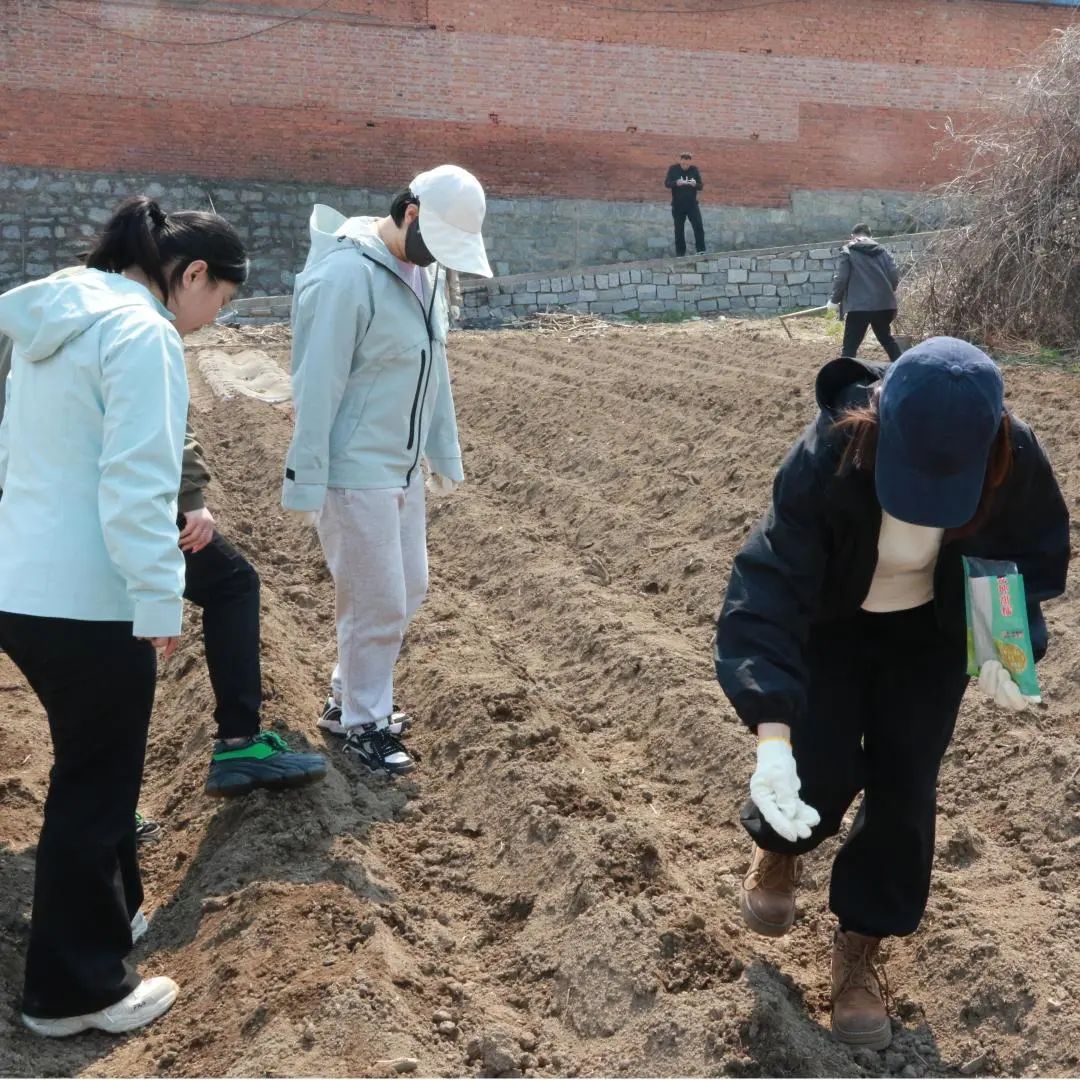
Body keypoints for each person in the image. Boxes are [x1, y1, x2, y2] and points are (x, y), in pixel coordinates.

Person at [713, 339, 1069, 1050]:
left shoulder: (1013, 454)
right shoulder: (831, 451)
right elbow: (770, 585)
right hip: (835, 622)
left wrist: (1007, 643)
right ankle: (780, 846)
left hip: (929, 634)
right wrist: (772, 734)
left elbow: (1028, 558)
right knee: (818, 758)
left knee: (906, 781)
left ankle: (861, 944)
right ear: (881, 423)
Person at [0, 196, 248, 1037]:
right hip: (87, 596)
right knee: (95, 788)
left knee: (91, 770)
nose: (212, 320)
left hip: (21, 585)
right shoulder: (142, 333)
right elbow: (138, 482)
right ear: (192, 274)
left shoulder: (57, 320)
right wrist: (155, 596)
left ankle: (116, 920)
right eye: (220, 302)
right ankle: (74, 993)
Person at [282, 164, 492, 775]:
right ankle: (364, 724)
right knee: (376, 603)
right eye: (436, 243)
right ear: (409, 213)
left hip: (401, 465)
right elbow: (315, 383)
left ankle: (347, 697)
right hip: (354, 471)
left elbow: (435, 372)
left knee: (409, 589)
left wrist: (443, 453)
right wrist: (307, 478)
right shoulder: (344, 276)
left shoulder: (423, 275)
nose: (439, 258)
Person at [828, 223, 902, 361]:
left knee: (850, 348)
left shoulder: (848, 251)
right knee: (887, 340)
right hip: (884, 305)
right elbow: (894, 275)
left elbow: (842, 278)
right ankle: (903, 368)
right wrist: (886, 293)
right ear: (870, 235)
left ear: (853, 236)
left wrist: (834, 300)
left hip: (859, 307)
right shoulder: (883, 251)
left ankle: (844, 373)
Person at [664, 152, 705, 257]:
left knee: (698, 226)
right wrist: (676, 183)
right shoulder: (673, 169)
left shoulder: (694, 169)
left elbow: (701, 186)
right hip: (677, 205)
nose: (685, 166)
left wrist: (695, 184)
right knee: (678, 230)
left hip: (692, 205)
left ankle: (701, 251)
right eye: (683, 164)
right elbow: (667, 184)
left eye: (687, 164)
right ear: (680, 161)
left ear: (690, 162)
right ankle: (680, 253)